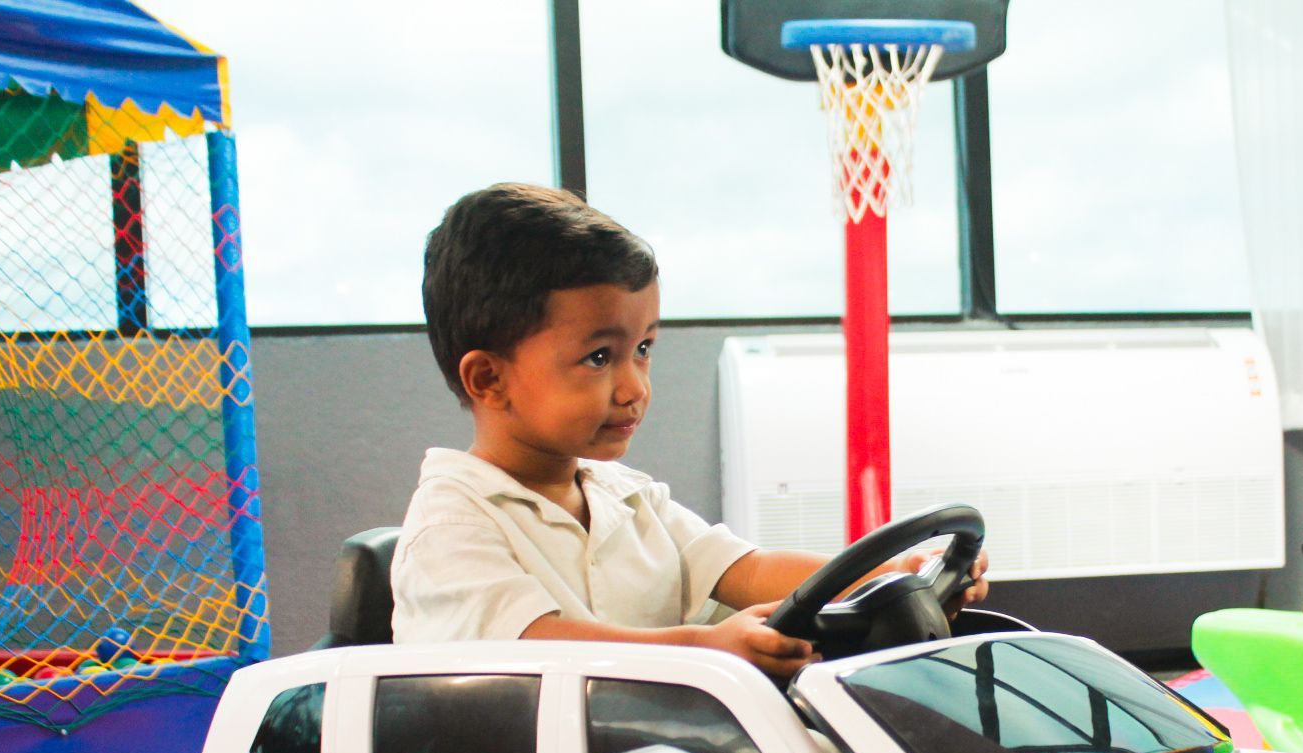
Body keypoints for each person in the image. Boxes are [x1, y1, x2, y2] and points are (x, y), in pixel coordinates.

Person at [391, 183, 985, 675]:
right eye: (600, 357)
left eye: (643, 349)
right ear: (489, 379)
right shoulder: (452, 524)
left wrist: (896, 577)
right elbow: (535, 646)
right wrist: (701, 650)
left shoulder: (628, 499)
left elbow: (748, 571)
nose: (634, 387)